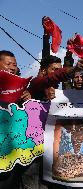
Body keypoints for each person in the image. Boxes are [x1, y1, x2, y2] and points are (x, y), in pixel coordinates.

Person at [0, 50, 32, 188]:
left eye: (15, 64)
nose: (12, 67)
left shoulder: (21, 90)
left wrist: (27, 100)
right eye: (8, 64)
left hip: (11, 156)